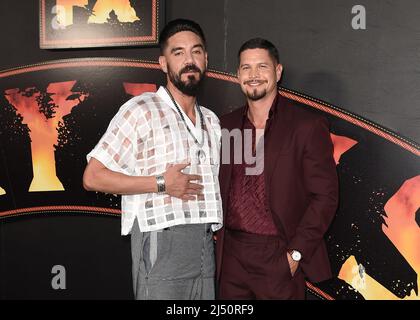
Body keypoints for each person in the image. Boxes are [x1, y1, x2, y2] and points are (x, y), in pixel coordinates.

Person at [83, 19, 222, 300]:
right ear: (163, 62)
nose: (189, 60)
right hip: (163, 236)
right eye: (178, 52)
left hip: (205, 242)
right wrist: (161, 183)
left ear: (206, 58)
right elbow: (92, 176)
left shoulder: (212, 121)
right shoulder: (140, 108)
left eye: (196, 51)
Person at [216, 38, 339, 299]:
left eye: (262, 66)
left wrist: (295, 254)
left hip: (278, 256)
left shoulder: (306, 126)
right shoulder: (225, 127)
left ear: (278, 71)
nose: (253, 75)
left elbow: (326, 196)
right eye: (246, 68)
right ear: (238, 75)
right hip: (231, 257)